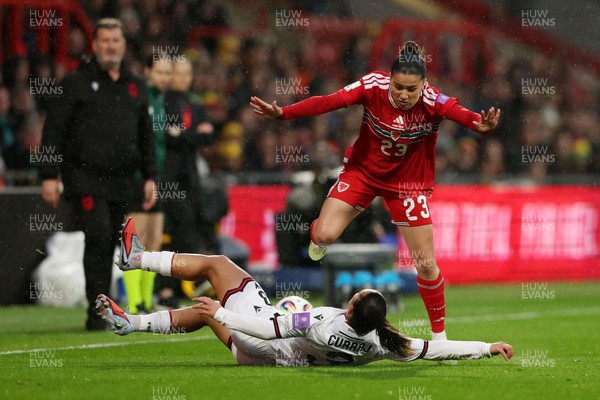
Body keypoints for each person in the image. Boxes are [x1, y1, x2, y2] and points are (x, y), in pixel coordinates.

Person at [249, 42, 501, 342]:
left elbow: (463, 114)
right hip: (363, 173)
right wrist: (285, 113)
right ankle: (319, 233)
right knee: (325, 236)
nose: (404, 95)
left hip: (407, 185)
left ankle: (439, 336)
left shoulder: (434, 101)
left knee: (425, 262)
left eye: (411, 89)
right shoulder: (372, 85)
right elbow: (329, 101)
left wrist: (479, 124)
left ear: (424, 85)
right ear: (389, 79)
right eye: (398, 87)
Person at [95, 217, 514, 366]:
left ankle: (136, 259)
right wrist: (486, 346)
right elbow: (435, 350)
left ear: (351, 306)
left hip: (261, 343)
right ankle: (129, 322)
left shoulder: (318, 321)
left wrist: (224, 314)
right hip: (269, 361)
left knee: (217, 266)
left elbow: (267, 327)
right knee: (206, 310)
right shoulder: (383, 344)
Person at [39, 18, 157, 330]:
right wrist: (49, 175)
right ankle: (97, 313)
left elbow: (146, 134)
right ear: (95, 45)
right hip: (85, 177)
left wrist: (150, 176)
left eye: (115, 41)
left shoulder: (134, 84)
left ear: (123, 45)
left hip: (122, 180)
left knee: (111, 244)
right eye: (104, 41)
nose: (110, 46)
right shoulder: (77, 82)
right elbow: (54, 130)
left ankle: (103, 309)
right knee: (99, 236)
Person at [155, 59, 218, 308]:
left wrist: (183, 135)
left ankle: (170, 290)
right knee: (180, 230)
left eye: (186, 74)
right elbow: (167, 138)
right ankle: (195, 280)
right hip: (167, 178)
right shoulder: (164, 102)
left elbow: (209, 135)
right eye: (178, 74)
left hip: (190, 177)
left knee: (182, 234)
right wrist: (194, 135)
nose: (182, 78)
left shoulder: (195, 103)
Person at [123, 56, 173, 314]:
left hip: (158, 175)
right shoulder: (139, 98)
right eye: (160, 72)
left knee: (154, 240)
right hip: (139, 177)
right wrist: (144, 177)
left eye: (168, 73)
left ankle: (147, 299)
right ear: (147, 72)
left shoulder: (162, 100)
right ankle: (134, 302)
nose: (164, 77)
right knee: (136, 240)